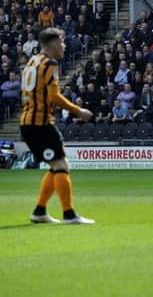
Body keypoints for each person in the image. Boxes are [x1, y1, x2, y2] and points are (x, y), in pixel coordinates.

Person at [19, 28, 95, 224]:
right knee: (60, 165)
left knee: (57, 165)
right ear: (53, 45)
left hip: (28, 121)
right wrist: (78, 110)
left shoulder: (32, 61)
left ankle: (40, 211)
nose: (64, 46)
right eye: (61, 42)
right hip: (40, 122)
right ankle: (69, 214)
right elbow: (53, 96)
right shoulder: (50, 64)